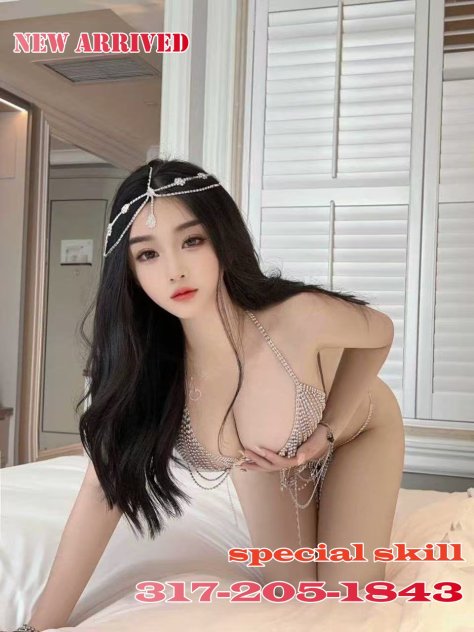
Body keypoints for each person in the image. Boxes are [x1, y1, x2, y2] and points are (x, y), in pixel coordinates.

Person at [17, 158, 404, 630]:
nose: (175, 271)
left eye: (192, 241)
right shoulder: (145, 373)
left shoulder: (299, 316)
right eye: (148, 254)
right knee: (296, 599)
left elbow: (380, 332)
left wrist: (328, 429)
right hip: (268, 458)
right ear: (130, 270)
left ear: (222, 237)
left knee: (343, 603)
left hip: (358, 432)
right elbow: (103, 490)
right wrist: (37, 626)